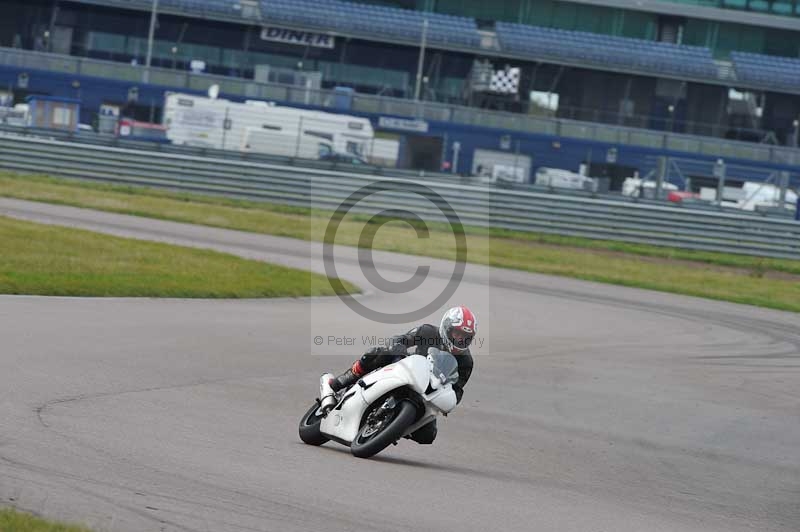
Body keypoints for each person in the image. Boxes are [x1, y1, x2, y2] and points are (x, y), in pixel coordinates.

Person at [328, 306, 477, 444]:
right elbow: (401, 339)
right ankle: (351, 376)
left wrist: (449, 401)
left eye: (465, 337)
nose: (460, 339)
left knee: (428, 435)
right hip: (409, 370)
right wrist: (400, 350)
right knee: (384, 351)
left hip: (427, 392)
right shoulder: (427, 332)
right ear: (447, 327)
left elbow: (457, 388)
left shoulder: (466, 362)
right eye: (457, 333)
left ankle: (394, 426)